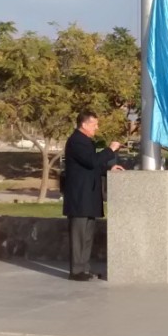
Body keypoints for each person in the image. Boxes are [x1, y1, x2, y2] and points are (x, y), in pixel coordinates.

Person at [63, 111, 124, 281]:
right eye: (94, 124)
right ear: (84, 124)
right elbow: (91, 161)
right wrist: (110, 150)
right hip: (79, 196)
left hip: (89, 195)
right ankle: (76, 270)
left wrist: (108, 169)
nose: (97, 127)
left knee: (87, 234)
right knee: (79, 235)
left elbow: (92, 166)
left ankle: (84, 268)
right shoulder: (76, 141)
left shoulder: (86, 141)